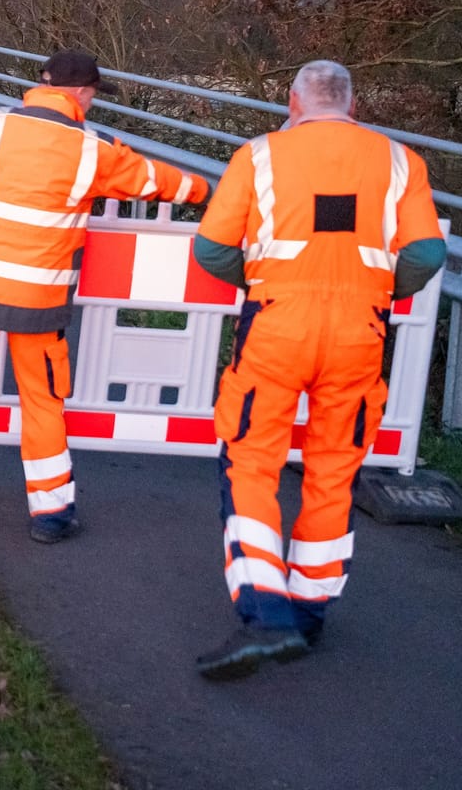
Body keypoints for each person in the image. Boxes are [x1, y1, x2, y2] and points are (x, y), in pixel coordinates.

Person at [190, 59, 446, 680]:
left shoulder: (259, 156)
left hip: (277, 325)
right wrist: (377, 293)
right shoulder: (400, 161)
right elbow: (427, 251)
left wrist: (261, 281)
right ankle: (308, 613)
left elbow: (212, 248)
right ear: (353, 105)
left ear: (293, 101)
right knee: (335, 468)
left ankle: (264, 614)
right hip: (361, 332)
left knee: (251, 459)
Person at [0, 50, 208, 542]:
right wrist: (206, 188)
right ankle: (50, 514)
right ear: (81, 93)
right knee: (43, 402)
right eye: (92, 94)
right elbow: (158, 182)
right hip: (40, 305)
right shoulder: (92, 150)